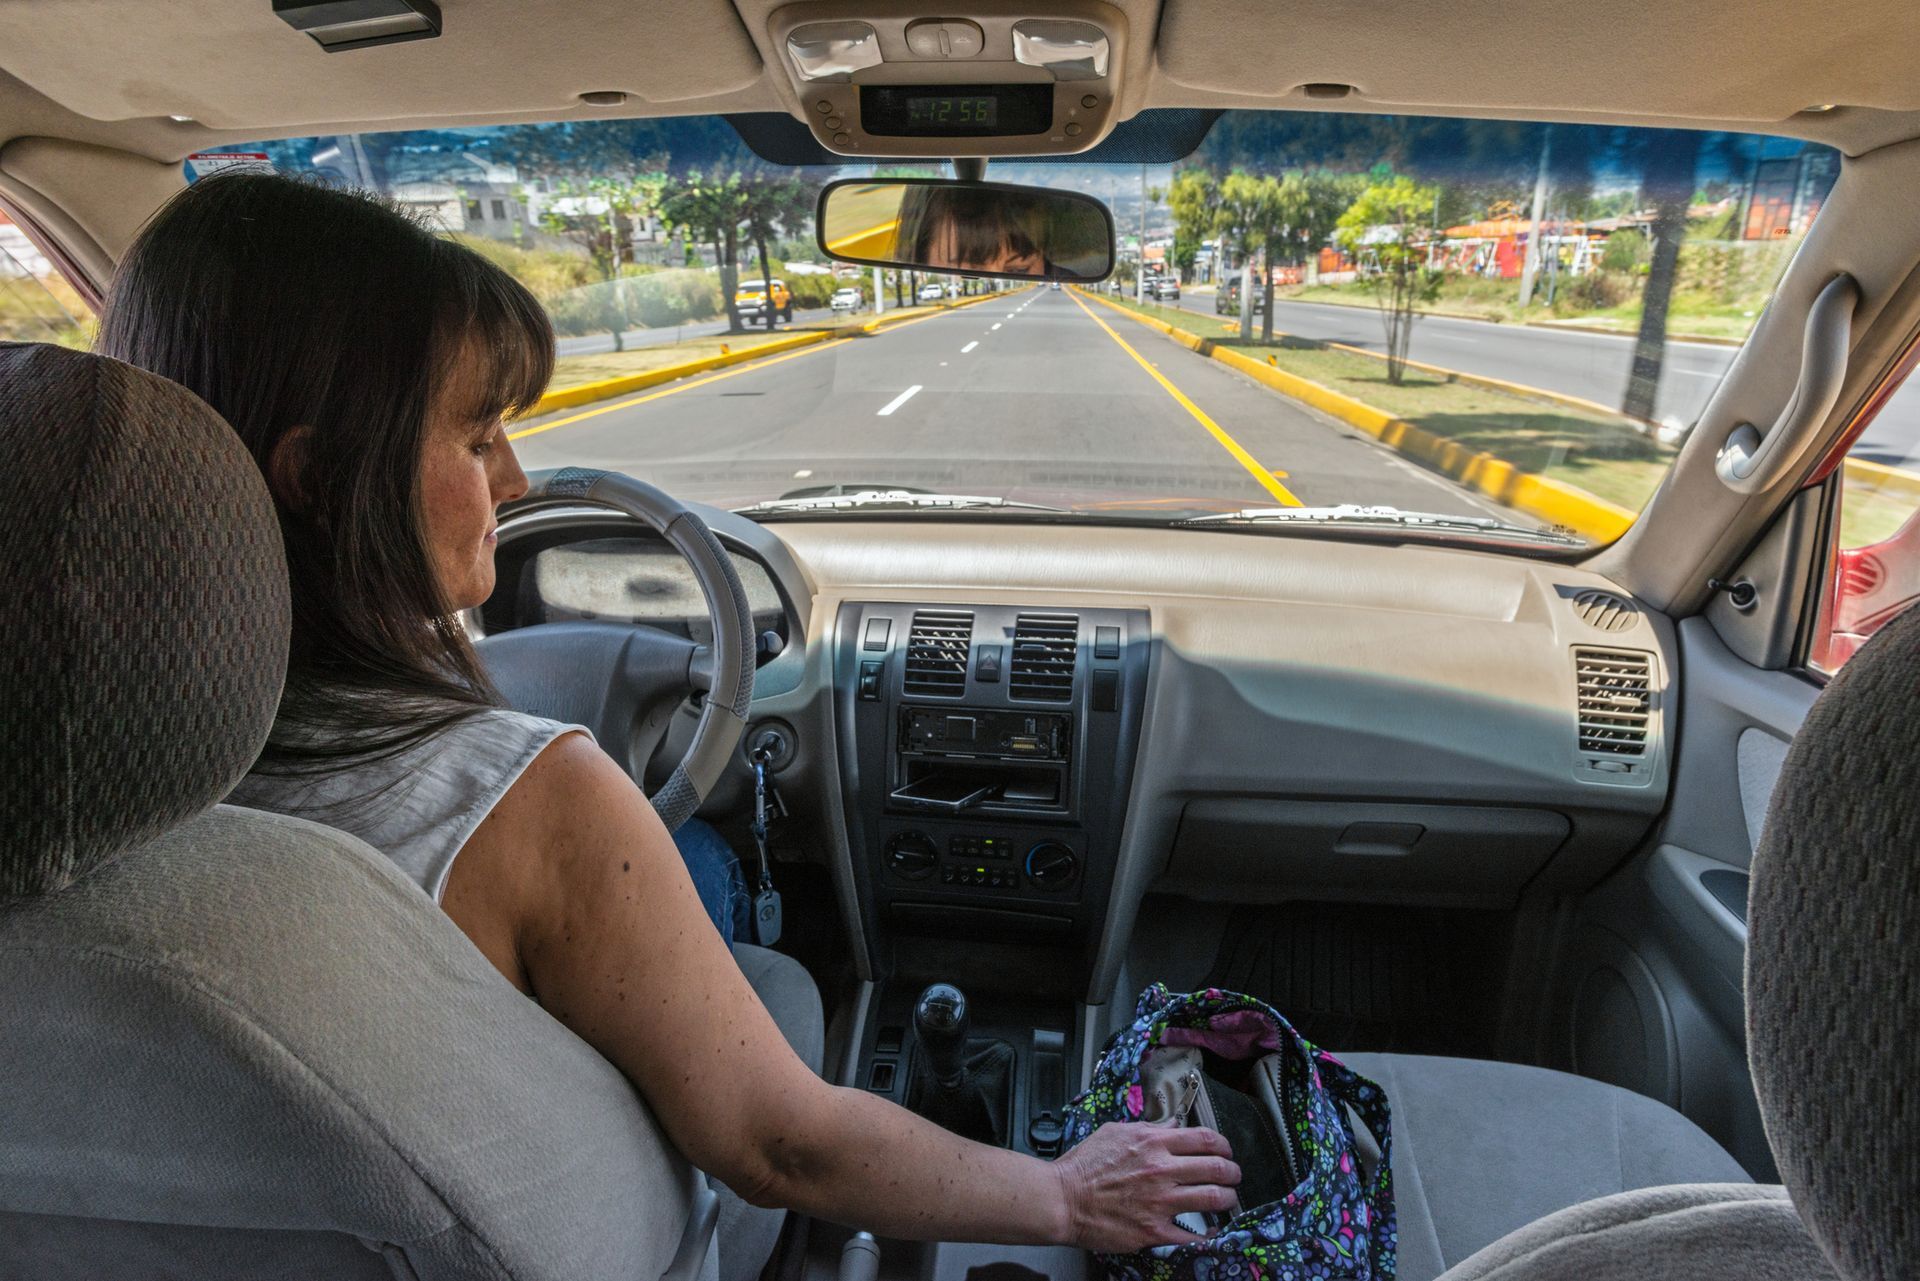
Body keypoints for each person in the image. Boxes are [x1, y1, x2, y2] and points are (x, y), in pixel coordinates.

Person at [95, 172, 1237, 1250]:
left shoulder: (68, 791)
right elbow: (783, 1146)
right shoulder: (529, 801)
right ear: (318, 473)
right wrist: (1069, 1192)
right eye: (478, 433)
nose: (518, 483)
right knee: (757, 952)